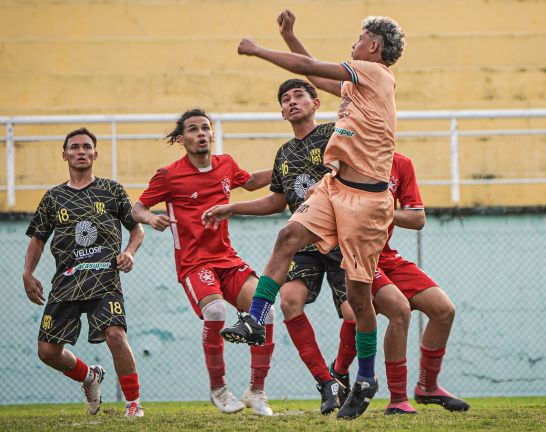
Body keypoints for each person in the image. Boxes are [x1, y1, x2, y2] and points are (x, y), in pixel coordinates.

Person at [206, 10, 406, 419]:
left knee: (358, 298)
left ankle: (365, 376)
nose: (353, 44)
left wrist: (259, 50)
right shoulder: (358, 89)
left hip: (367, 202)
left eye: (358, 38)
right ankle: (255, 318)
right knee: (287, 237)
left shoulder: (376, 74)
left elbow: (311, 70)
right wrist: (292, 36)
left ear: (372, 46)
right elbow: (315, 76)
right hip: (334, 189)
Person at [131, 109, 275, 416]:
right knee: (216, 309)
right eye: (193, 129)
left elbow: (250, 183)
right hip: (195, 264)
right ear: (182, 139)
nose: (200, 134)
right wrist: (151, 218)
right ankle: (219, 389)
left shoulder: (226, 164)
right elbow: (137, 208)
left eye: (204, 128)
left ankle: (256, 391)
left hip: (227, 259)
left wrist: (288, 168)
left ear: (211, 134)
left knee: (267, 311)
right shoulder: (169, 175)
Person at [330, 152, 470, 414]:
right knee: (396, 309)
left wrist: (383, 213)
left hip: (387, 257)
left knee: (443, 310)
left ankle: (427, 387)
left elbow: (417, 218)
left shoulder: (402, 163)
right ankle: (395, 400)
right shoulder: (345, 161)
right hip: (355, 256)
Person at [23, 127, 145, 417]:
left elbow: (137, 228)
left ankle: (134, 404)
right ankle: (89, 377)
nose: (81, 151)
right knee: (47, 351)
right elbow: (38, 239)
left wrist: (128, 252)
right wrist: (28, 273)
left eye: (87, 147)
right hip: (66, 282)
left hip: (104, 277)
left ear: (95, 153)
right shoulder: (53, 197)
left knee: (115, 333)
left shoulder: (112, 190)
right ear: (64, 154)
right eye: (75, 147)